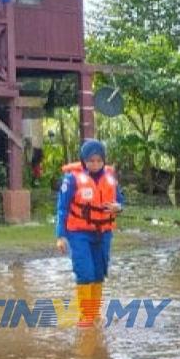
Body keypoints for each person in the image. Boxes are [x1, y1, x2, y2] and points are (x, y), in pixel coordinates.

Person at [54, 139, 124, 327]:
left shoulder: (110, 179)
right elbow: (62, 208)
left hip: (103, 233)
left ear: (103, 161)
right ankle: (86, 317)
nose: (95, 164)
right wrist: (60, 236)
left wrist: (119, 207)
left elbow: (120, 200)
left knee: (99, 272)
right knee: (85, 272)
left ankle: (94, 313)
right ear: (84, 161)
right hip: (79, 233)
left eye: (99, 161)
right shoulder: (72, 180)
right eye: (91, 160)